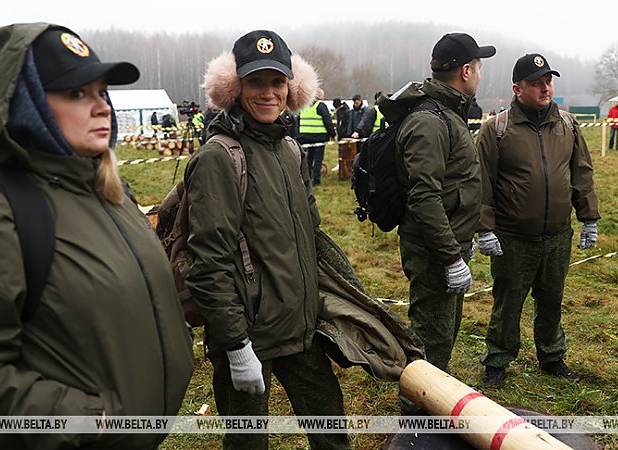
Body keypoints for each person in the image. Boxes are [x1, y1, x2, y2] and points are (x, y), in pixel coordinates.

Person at [0, 23, 194, 449]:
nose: (102, 107)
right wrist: (85, 423)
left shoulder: (110, 194)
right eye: (77, 93)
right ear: (26, 105)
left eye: (102, 92)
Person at [191, 29, 350, 450]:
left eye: (277, 82)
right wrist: (237, 345)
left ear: (290, 88)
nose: (268, 93)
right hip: (248, 336)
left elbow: (310, 237)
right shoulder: (218, 158)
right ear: (234, 87)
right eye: (255, 82)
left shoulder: (291, 150)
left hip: (302, 330)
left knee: (333, 436)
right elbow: (208, 263)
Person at [375, 32, 494, 413]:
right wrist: (449, 256)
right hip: (432, 250)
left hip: (445, 243)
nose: (480, 74)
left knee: (443, 330)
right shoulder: (429, 120)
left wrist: (469, 233)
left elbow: (455, 185)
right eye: (478, 66)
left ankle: (432, 394)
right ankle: (415, 413)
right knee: (431, 334)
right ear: (465, 70)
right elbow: (424, 197)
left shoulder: (450, 112)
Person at [475, 53, 600, 389]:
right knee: (508, 302)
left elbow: (581, 174)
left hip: (558, 235)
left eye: (548, 80)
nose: (545, 88)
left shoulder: (568, 125)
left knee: (551, 300)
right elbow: (482, 184)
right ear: (518, 88)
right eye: (535, 83)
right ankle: (498, 361)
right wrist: (484, 229)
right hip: (513, 238)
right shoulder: (496, 130)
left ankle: (552, 357)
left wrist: (588, 217)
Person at [297, 88, 335, 186]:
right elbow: (327, 120)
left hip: (305, 136)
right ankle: (316, 180)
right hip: (319, 137)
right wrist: (332, 134)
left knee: (308, 159)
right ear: (320, 96)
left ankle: (308, 177)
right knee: (318, 159)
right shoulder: (320, 105)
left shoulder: (305, 105)